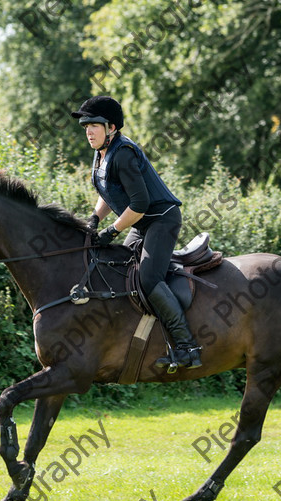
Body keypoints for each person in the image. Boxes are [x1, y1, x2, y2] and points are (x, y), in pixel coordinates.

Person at [70, 96, 202, 369]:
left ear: (112, 128)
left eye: (94, 125)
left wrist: (112, 231)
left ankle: (187, 347)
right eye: (86, 126)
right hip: (140, 222)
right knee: (120, 268)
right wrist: (95, 218)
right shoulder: (101, 154)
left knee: (147, 278)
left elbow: (139, 205)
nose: (88, 131)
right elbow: (109, 193)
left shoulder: (124, 154)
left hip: (161, 220)